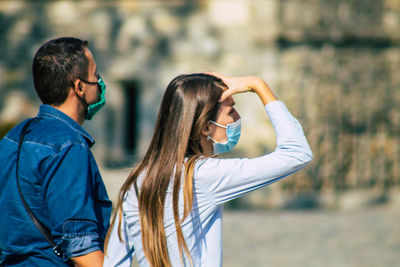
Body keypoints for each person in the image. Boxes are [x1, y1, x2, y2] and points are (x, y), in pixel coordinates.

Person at [104, 73, 313, 267]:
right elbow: (297, 153)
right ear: (205, 127)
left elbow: (113, 261)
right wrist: (258, 85)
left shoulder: (138, 181)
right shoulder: (205, 174)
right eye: (231, 111)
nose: (237, 117)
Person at [0, 37, 112, 266]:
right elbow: (80, 245)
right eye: (95, 75)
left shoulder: (13, 137)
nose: (100, 82)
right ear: (79, 87)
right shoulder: (68, 146)